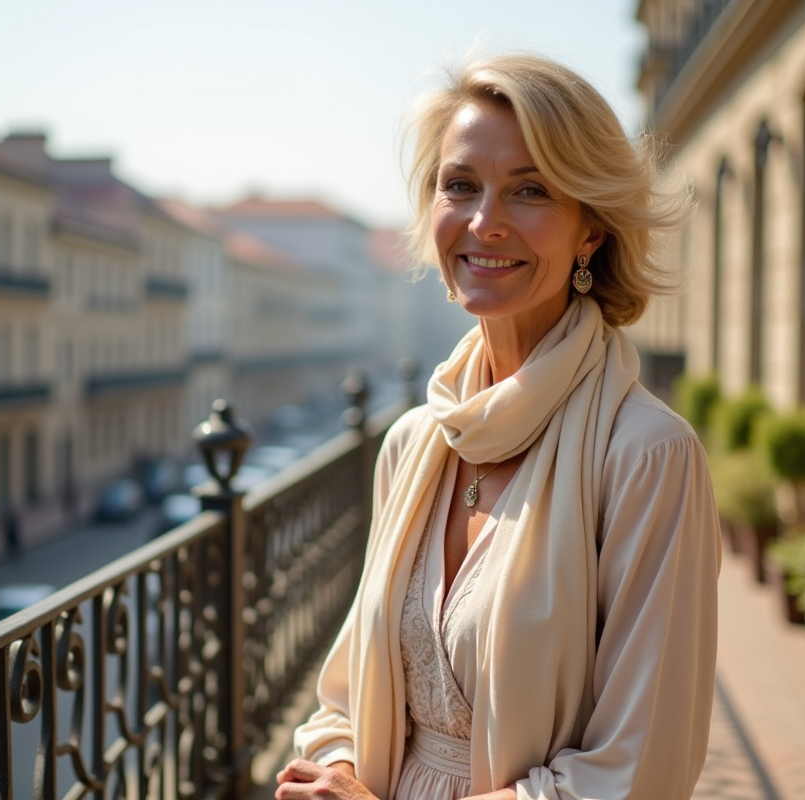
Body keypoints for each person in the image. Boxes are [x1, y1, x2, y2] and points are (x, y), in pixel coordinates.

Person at [276, 52, 721, 800]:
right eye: (461, 186)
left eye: (531, 189)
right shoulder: (416, 442)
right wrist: (339, 772)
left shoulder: (647, 456)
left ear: (592, 231)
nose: (486, 221)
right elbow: (347, 695)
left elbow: (640, 770)